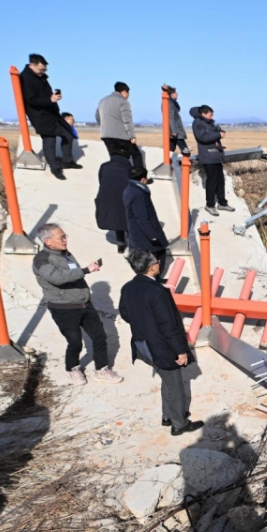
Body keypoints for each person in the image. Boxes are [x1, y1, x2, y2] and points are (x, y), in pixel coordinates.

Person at [118, 250, 204, 436]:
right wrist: (180, 351)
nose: (159, 263)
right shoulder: (157, 291)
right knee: (176, 386)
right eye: (157, 261)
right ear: (151, 267)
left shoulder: (128, 288)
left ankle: (168, 416)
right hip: (161, 347)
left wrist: (144, 324)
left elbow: (125, 313)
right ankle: (179, 424)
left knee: (167, 380)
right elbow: (168, 325)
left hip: (143, 345)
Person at [31, 224, 123, 386]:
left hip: (85, 304)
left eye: (65, 236)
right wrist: (86, 270)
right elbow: (57, 278)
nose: (65, 240)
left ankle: (102, 369)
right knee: (75, 342)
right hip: (64, 309)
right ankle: (73, 368)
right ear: (48, 241)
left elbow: (73, 274)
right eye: (61, 237)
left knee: (100, 336)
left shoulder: (66, 254)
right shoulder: (41, 260)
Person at [19, 54, 78, 179]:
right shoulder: (25, 78)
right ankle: (54, 168)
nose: (43, 72)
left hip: (52, 113)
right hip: (40, 116)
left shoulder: (41, 77)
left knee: (68, 133)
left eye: (45, 70)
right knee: (49, 141)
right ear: (32, 65)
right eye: (41, 69)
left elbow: (44, 95)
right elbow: (31, 100)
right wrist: (50, 99)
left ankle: (67, 161)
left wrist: (53, 98)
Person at [124, 170, 170, 274]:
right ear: (143, 179)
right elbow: (142, 218)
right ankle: (155, 278)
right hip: (143, 234)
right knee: (159, 253)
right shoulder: (138, 194)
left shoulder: (129, 189)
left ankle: (153, 278)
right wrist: (153, 236)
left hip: (135, 232)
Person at [190, 105, 233, 215]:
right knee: (212, 182)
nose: (212, 116)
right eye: (210, 114)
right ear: (203, 113)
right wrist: (218, 134)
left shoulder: (209, 123)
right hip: (208, 157)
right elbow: (203, 137)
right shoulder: (197, 123)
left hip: (216, 156)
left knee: (220, 181)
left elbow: (211, 133)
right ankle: (210, 205)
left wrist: (218, 131)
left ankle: (222, 203)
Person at [96, 82, 146, 173]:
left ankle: (116, 175)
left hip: (106, 135)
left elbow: (97, 116)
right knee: (136, 155)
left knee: (114, 158)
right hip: (121, 136)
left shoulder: (102, 101)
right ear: (124, 92)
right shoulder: (123, 102)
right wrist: (132, 136)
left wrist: (105, 126)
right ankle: (139, 177)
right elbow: (127, 120)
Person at [95, 145, 133, 252]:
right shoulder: (130, 169)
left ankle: (120, 244)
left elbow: (101, 180)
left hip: (106, 198)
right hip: (125, 198)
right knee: (129, 221)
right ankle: (132, 247)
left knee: (117, 219)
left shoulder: (104, 166)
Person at [163, 85, 191, 158]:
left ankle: (168, 162)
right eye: (176, 93)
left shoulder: (172, 102)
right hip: (175, 130)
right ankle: (186, 161)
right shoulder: (169, 103)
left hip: (174, 130)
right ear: (172, 94)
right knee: (185, 150)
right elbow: (170, 117)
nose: (177, 94)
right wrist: (174, 131)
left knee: (171, 149)